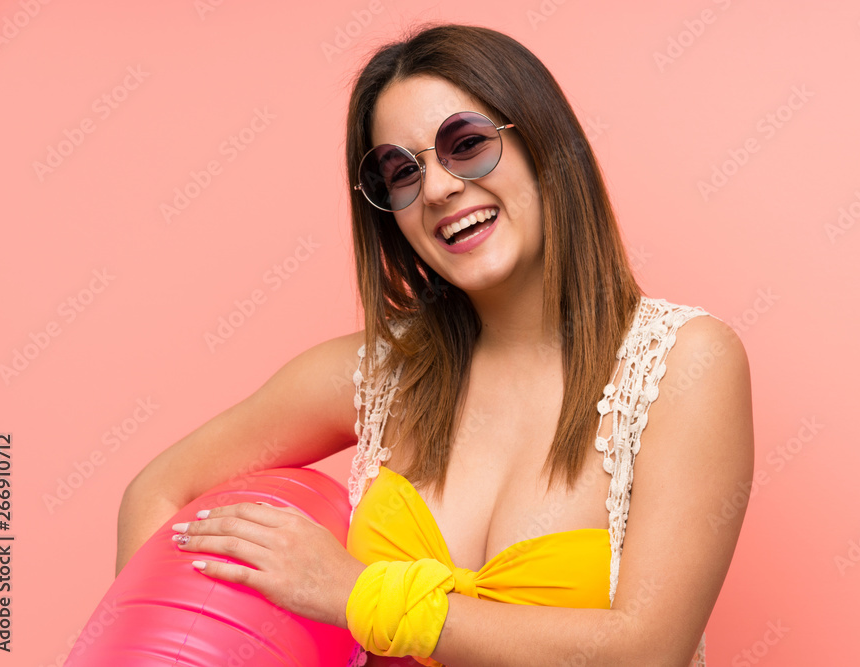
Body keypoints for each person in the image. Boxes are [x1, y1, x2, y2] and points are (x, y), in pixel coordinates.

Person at [116, 23, 753, 667]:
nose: (440, 188)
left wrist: (355, 594)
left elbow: (645, 652)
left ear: (544, 144)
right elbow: (158, 490)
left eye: (467, 144)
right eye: (401, 172)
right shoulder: (376, 373)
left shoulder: (684, 366)